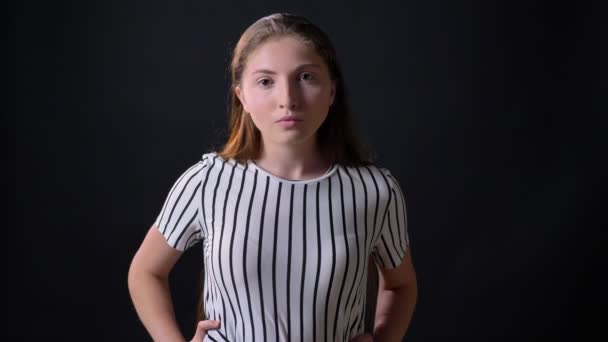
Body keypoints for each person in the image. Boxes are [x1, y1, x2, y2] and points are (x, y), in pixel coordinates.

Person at [128, 12, 417, 342]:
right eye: (266, 81)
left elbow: (401, 285)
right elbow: (145, 271)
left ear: (332, 91)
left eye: (306, 77)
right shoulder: (207, 182)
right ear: (242, 97)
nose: (288, 100)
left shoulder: (375, 191)